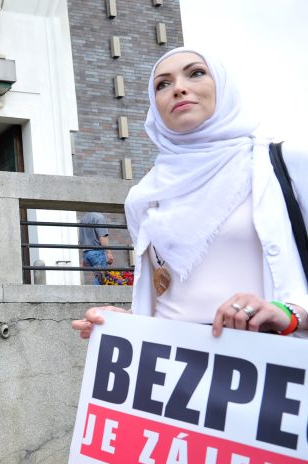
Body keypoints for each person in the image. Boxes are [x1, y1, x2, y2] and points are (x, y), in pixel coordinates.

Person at [72, 47, 308, 340]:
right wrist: (124, 324)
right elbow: (168, 302)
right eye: (163, 84)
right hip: (174, 374)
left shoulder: (286, 164)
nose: (179, 88)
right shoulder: (144, 196)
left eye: (196, 73)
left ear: (223, 86)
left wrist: (291, 316)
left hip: (265, 371)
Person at [78, 212, 114, 285]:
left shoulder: (83, 219)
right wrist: (109, 253)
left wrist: (84, 256)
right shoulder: (99, 217)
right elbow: (102, 237)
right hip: (97, 252)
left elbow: (80, 240)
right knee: (101, 279)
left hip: (87, 252)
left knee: (97, 277)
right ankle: (98, 296)